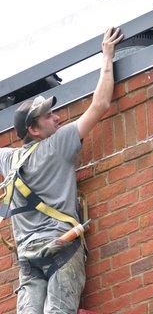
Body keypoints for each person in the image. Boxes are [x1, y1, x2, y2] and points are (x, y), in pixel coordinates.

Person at [0, 27, 123, 313]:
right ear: (33, 129)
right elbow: (101, 103)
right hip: (61, 246)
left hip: (28, 258)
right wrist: (107, 56)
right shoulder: (58, 144)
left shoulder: (9, 160)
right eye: (48, 116)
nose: (57, 117)